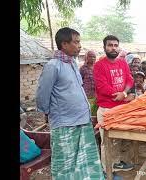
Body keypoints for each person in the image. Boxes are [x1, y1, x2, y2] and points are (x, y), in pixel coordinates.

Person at [36, 27, 105, 179]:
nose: (80, 46)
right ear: (64, 44)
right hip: (64, 124)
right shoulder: (53, 66)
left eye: (79, 42)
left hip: (82, 120)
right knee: (65, 164)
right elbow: (42, 95)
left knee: (84, 161)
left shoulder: (73, 63)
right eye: (76, 42)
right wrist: (48, 113)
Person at [93, 35, 135, 176]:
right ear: (104, 47)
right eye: (110, 45)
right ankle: (106, 170)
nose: (113, 48)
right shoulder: (99, 65)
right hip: (106, 109)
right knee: (106, 141)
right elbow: (102, 86)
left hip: (120, 108)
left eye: (116, 45)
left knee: (118, 139)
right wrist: (123, 95)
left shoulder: (123, 63)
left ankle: (115, 163)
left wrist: (123, 93)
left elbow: (129, 79)